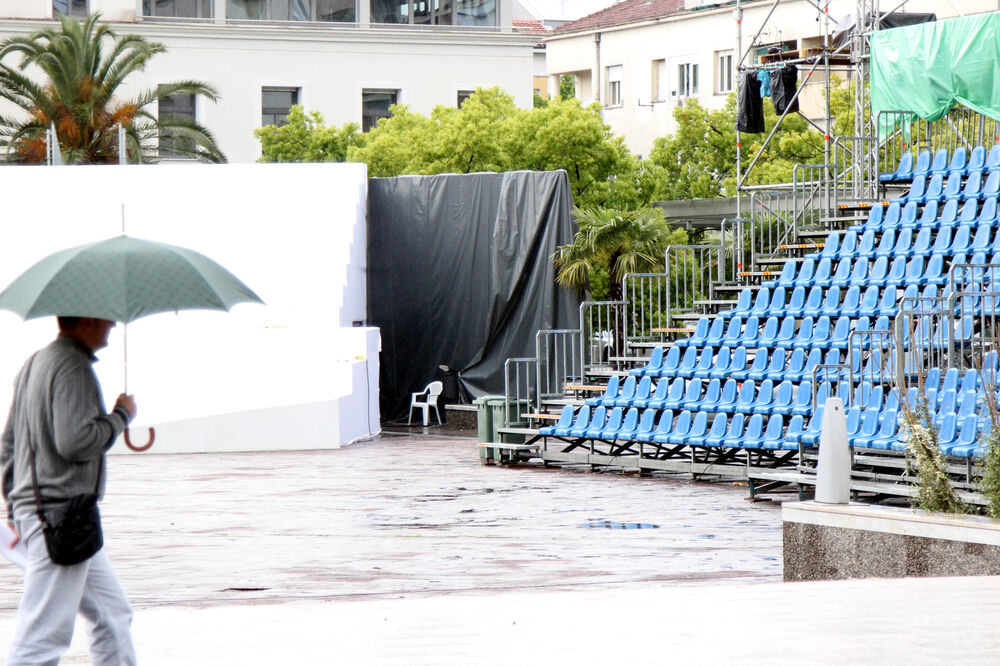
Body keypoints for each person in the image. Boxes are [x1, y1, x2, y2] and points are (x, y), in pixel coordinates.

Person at [1, 316, 137, 665]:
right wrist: (121, 416)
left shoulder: (35, 362)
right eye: (107, 320)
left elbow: (9, 446)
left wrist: (14, 506)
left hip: (58, 518)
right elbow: (75, 443)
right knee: (42, 638)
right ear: (87, 321)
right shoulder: (73, 367)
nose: (112, 325)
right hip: (61, 519)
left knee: (113, 615)